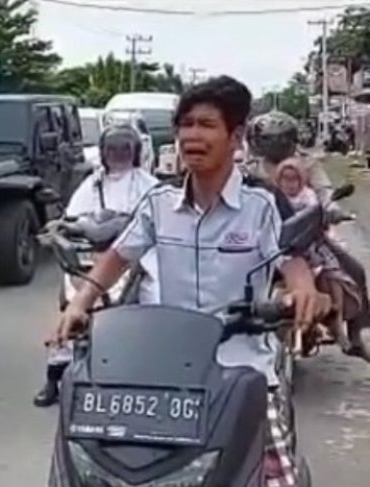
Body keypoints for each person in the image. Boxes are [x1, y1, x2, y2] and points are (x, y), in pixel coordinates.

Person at [52, 76, 329, 487]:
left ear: (236, 138)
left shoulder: (262, 204)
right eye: (185, 125)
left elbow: (292, 261)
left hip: (243, 369)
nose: (191, 136)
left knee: (281, 478)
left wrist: (303, 292)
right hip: (167, 368)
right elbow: (117, 256)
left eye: (206, 124)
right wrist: (81, 302)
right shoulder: (158, 203)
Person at [33, 124, 160, 407]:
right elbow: (73, 216)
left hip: (131, 261)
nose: (118, 153)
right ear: (103, 152)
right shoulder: (92, 183)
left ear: (135, 152)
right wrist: (62, 228)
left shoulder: (148, 185)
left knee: (152, 305)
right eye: (112, 148)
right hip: (89, 259)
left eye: (124, 148)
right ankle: (54, 377)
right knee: (69, 307)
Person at [247, 110, 370, 361]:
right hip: (262, 237)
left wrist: (332, 210)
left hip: (307, 236)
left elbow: (324, 190)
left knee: (355, 271)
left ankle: (355, 335)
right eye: (269, 139)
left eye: (280, 138)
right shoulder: (250, 168)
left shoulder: (307, 163)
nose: (275, 144)